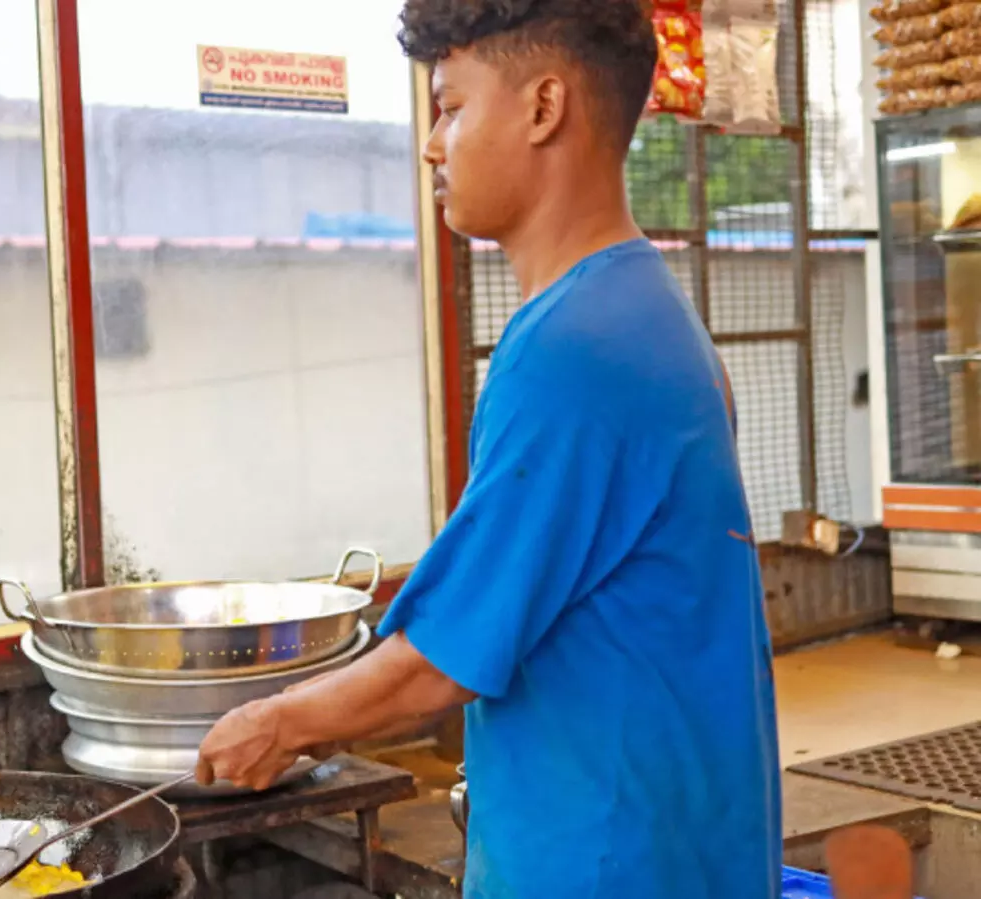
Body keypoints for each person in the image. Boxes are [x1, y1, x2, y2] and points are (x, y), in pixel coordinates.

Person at [193, 1, 782, 897]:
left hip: (604, 866)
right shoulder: (642, 311)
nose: (432, 144)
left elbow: (441, 655)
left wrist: (279, 721)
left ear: (544, 108)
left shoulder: (580, 347)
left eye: (450, 106)